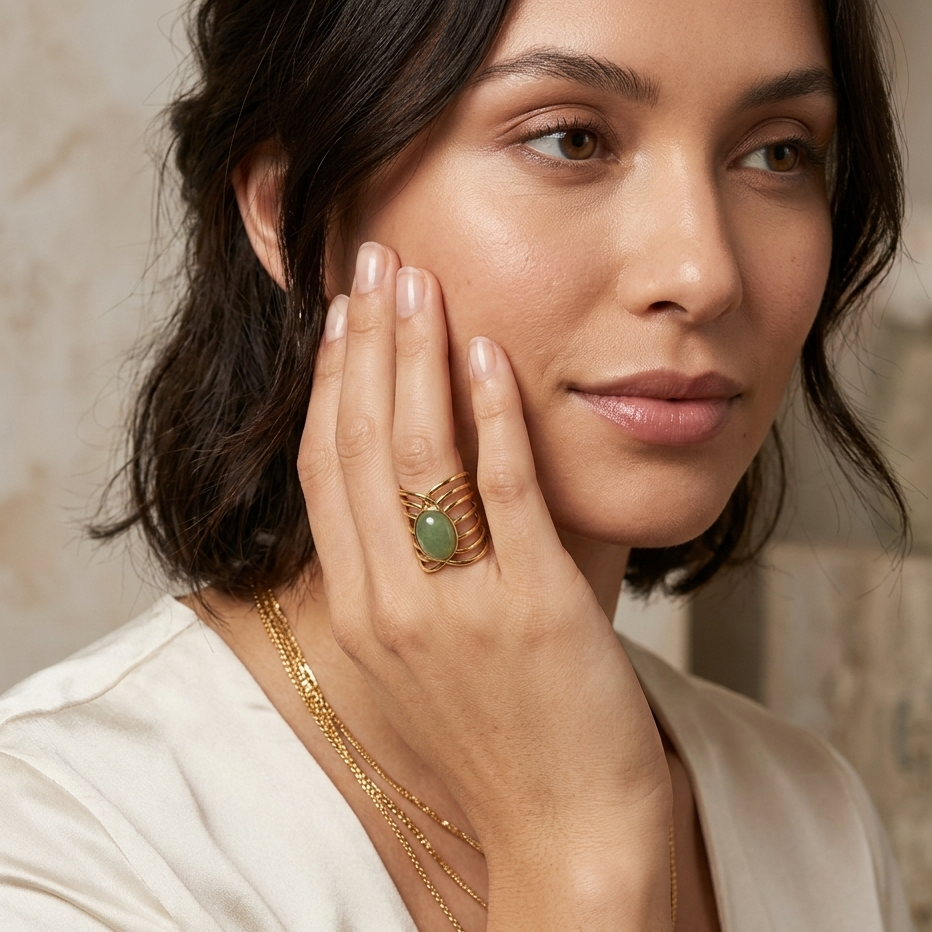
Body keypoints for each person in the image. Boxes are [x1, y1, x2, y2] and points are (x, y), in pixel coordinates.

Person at [0, 0, 917, 928]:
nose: (706, 271)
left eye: (778, 151)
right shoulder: (64, 849)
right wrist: (574, 847)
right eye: (570, 140)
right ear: (291, 213)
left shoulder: (816, 822)